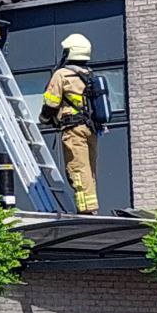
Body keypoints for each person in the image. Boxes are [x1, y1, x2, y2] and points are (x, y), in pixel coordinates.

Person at [39, 33, 100, 215]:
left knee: (77, 168)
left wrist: (44, 119)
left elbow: (51, 102)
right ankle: (91, 206)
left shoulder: (62, 74)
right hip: (91, 129)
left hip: (73, 130)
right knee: (89, 169)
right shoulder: (89, 74)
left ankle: (85, 209)